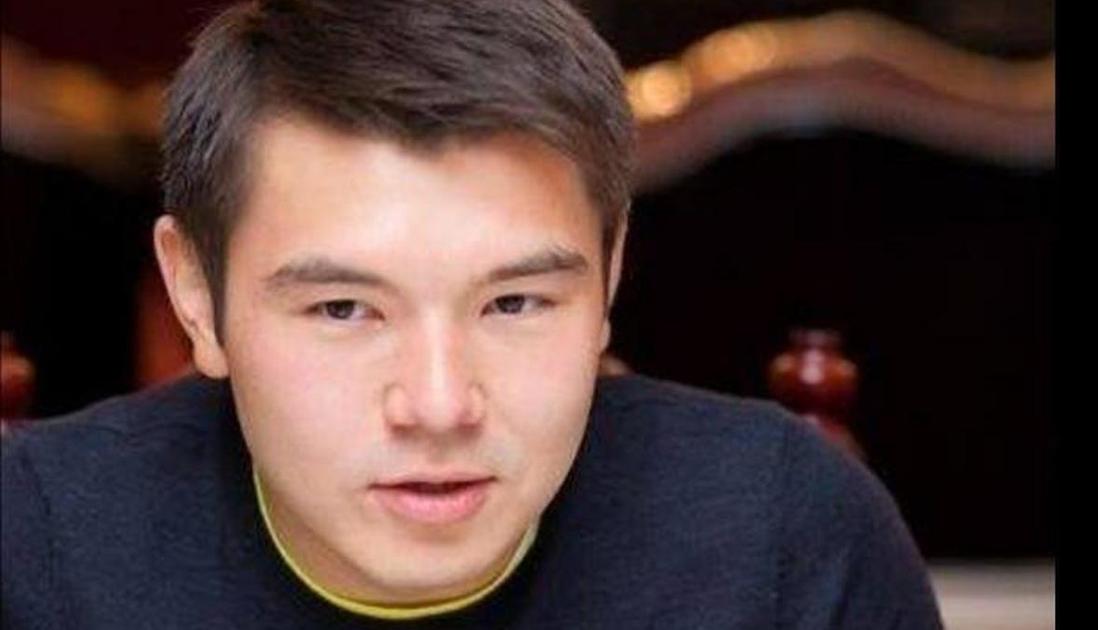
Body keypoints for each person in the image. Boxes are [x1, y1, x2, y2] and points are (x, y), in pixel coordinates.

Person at [1, 1, 943, 627]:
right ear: (197, 296)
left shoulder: (783, 538)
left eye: (515, 302)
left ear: (611, 274)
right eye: (343, 309)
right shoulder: (35, 550)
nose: (441, 406)